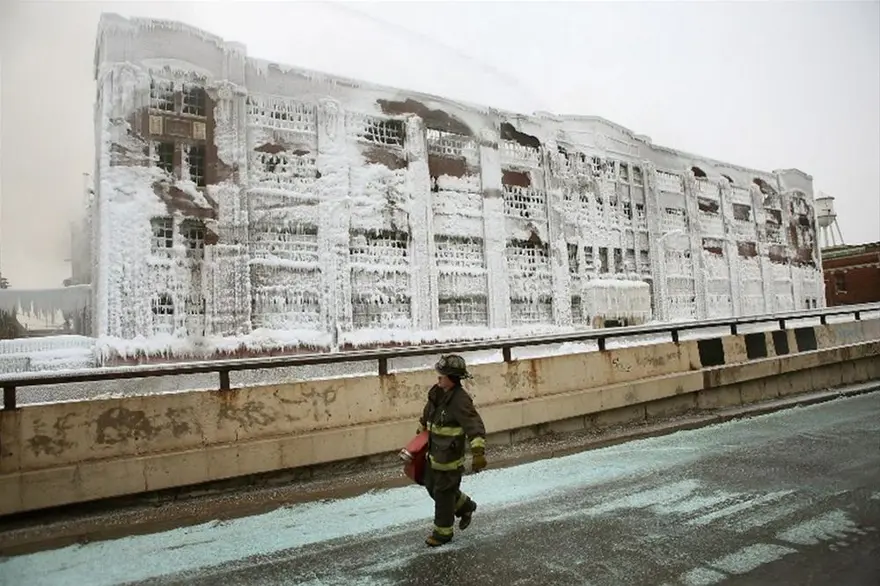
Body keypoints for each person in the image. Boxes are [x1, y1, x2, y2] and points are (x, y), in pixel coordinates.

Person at [416, 354, 488, 547]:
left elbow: (475, 426)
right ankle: (465, 506)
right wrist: (420, 435)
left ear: (452, 378)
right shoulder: (437, 393)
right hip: (433, 455)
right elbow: (427, 417)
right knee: (431, 485)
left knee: (443, 495)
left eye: (442, 375)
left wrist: (478, 453)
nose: (438, 378)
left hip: (449, 460)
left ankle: (442, 533)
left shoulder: (460, 400)